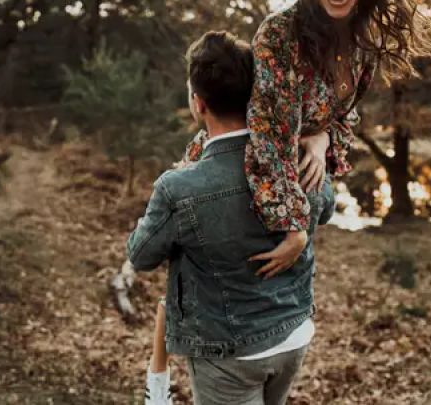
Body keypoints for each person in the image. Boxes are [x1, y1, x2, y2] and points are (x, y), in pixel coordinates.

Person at [139, 0, 431, 403]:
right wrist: (296, 226)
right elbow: (270, 139)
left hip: (291, 178)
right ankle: (170, 372)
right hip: (248, 164)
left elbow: (344, 119)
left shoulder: (362, 45)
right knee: (209, 264)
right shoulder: (279, 36)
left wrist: (323, 137)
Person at [128, 31, 335, 405]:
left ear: (199, 103)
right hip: (293, 334)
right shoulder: (295, 160)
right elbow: (326, 207)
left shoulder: (179, 187)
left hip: (228, 353)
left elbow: (140, 256)